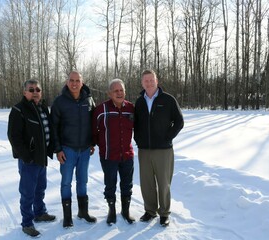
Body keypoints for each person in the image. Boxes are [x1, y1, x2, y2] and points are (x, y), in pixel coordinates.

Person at [134, 69, 184, 227]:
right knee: (147, 183)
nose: (149, 83)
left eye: (151, 80)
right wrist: (138, 138)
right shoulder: (140, 101)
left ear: (157, 81)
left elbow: (179, 121)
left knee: (163, 183)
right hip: (144, 150)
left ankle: (164, 213)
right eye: (145, 80)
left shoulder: (168, 99)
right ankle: (150, 211)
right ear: (142, 83)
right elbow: (136, 124)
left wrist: (167, 137)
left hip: (163, 150)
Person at [7, 79, 56, 237]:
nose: (35, 92)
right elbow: (14, 137)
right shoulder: (19, 110)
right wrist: (26, 157)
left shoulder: (42, 108)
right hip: (29, 160)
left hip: (41, 158)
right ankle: (27, 222)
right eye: (31, 89)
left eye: (38, 89)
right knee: (27, 192)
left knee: (40, 188)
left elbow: (47, 130)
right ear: (24, 92)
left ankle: (40, 212)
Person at [51, 71, 97, 228]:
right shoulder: (59, 102)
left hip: (84, 150)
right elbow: (54, 127)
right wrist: (58, 149)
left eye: (77, 80)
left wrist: (92, 142)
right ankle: (67, 216)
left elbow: (94, 124)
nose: (74, 83)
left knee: (83, 181)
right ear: (67, 82)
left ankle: (83, 212)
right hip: (67, 149)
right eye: (71, 80)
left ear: (82, 82)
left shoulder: (89, 100)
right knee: (66, 182)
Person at [92, 79, 135, 226]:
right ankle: (111, 210)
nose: (119, 93)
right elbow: (93, 131)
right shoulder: (101, 110)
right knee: (110, 184)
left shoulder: (131, 108)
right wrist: (102, 144)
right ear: (109, 93)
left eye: (121, 90)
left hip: (127, 155)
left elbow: (139, 128)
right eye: (115, 91)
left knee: (127, 184)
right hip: (109, 155)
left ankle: (125, 210)